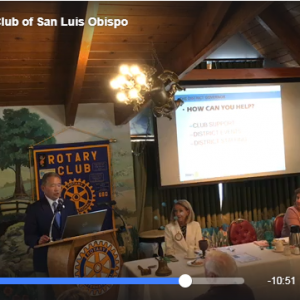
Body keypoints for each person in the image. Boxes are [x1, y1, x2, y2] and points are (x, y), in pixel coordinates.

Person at [24, 172, 78, 300]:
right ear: (43, 188)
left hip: (68, 260)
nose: (57, 189)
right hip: (44, 262)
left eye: (59, 185)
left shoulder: (69, 205)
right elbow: (28, 237)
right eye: (53, 185)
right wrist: (38, 240)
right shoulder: (34, 209)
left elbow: (76, 229)